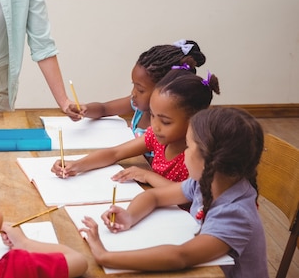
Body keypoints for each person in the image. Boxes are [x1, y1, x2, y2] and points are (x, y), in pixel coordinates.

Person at [80, 107, 267, 277]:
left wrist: (105, 256)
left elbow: (180, 256)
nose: (184, 153)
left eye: (189, 146)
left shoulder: (235, 213)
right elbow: (154, 196)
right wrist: (129, 216)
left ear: (210, 161)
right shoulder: (205, 182)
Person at [52, 67, 220, 188]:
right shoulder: (156, 137)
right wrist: (77, 165)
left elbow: (185, 195)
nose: (155, 126)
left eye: (166, 122)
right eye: (153, 116)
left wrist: (148, 175)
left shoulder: (197, 156)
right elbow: (114, 153)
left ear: (196, 120)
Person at [70, 39, 206, 139]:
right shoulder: (139, 107)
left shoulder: (169, 127)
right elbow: (104, 108)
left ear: (164, 91)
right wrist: (85, 109)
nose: (133, 93)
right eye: (133, 85)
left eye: (140, 90)